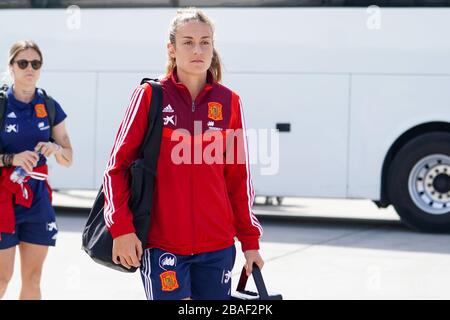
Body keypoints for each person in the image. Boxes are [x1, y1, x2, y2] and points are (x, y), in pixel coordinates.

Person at [103, 7, 263, 300]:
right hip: (162, 244)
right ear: (172, 49)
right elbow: (117, 168)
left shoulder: (230, 102)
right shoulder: (150, 96)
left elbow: (238, 180)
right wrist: (121, 229)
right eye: (188, 42)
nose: (197, 49)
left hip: (217, 248)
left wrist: (250, 241)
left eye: (205, 42)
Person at [0, 40, 73, 300]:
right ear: (11, 67)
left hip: (37, 199)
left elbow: (68, 157)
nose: (30, 68)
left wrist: (56, 150)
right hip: (2, 199)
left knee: (33, 278)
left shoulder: (49, 105)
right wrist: (12, 159)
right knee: (2, 278)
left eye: (35, 63)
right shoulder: (2, 104)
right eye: (23, 63)